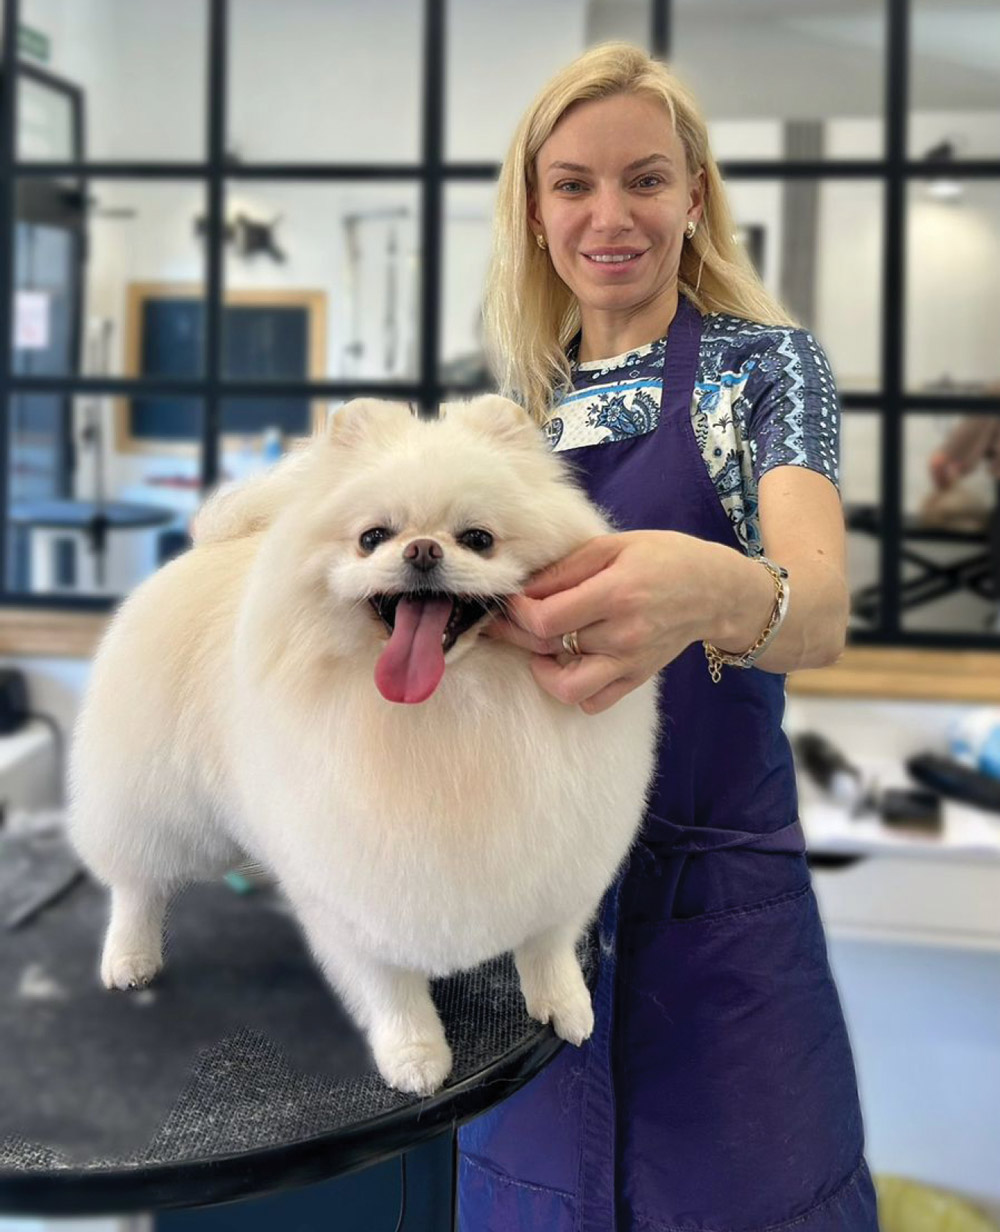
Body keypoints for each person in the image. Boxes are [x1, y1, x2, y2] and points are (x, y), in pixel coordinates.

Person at [455, 42, 880, 1232]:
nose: (610, 215)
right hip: (527, 926)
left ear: (694, 195)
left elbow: (823, 605)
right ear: (535, 213)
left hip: (719, 935)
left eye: (644, 179)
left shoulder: (765, 370)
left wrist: (715, 592)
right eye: (572, 184)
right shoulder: (513, 418)